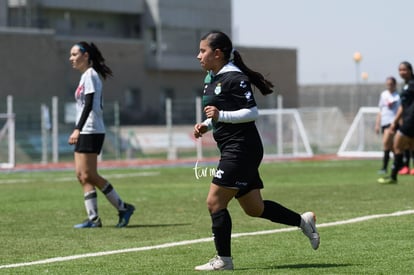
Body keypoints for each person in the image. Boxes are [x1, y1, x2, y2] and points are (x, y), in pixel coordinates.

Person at [193, 31, 320, 271]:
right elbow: (220, 113)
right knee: (254, 208)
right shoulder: (212, 77)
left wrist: (221, 116)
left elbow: (251, 112)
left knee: (214, 202)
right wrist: (207, 125)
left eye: (202, 51)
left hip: (242, 149)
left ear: (217, 53)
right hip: (234, 148)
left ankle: (224, 260)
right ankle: (302, 221)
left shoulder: (234, 78)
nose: (198, 55)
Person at [68, 41, 135, 228]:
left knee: (90, 174)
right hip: (85, 130)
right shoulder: (85, 76)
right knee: (82, 175)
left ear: (86, 55)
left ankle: (123, 208)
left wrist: (77, 128)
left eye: (74, 54)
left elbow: (89, 105)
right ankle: (94, 219)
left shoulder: (90, 75)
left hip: (91, 130)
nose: (71, 58)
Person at [378, 61, 414, 184]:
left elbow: (403, 107)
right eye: (400, 70)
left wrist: (394, 122)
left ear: (410, 70)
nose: (401, 72)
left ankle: (393, 176)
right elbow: (403, 106)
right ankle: (396, 173)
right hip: (408, 120)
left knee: (397, 146)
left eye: (404, 70)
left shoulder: (411, 85)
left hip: (410, 120)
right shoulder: (406, 85)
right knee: (409, 146)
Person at [375, 76, 400, 174]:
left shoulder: (398, 96)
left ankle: (384, 168)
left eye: (391, 84)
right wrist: (377, 124)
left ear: (394, 84)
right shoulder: (383, 95)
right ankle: (399, 162)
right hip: (384, 122)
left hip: (394, 122)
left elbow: (400, 109)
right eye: (388, 84)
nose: (389, 86)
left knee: (386, 143)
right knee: (391, 145)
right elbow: (380, 110)